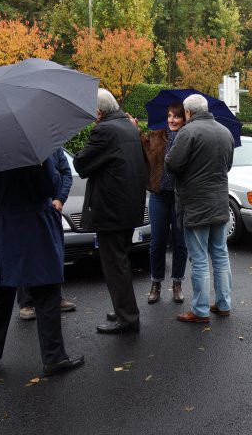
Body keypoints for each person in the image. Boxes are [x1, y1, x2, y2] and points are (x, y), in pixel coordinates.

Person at [0, 158, 84, 376]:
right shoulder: (29, 146)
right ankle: (54, 358)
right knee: (46, 293)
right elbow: (51, 185)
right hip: (32, 226)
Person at [73, 89, 148, 334]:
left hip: (111, 212)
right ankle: (123, 310)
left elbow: (81, 164)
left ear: (99, 112)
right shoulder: (128, 127)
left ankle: (127, 318)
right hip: (128, 208)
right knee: (121, 262)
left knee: (115, 266)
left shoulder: (104, 130)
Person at [165, 94, 234, 324]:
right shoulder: (225, 132)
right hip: (220, 204)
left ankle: (200, 309)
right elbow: (228, 165)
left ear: (188, 113)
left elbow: (172, 164)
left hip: (195, 205)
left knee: (200, 259)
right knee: (220, 255)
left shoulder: (188, 132)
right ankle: (224, 304)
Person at [18, 148, 77, 320]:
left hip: (51, 211)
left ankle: (55, 297)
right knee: (26, 255)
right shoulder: (17, 149)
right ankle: (27, 303)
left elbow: (66, 173)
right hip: (24, 212)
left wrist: (60, 198)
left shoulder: (54, 146)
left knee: (54, 254)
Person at [140, 103, 187, 304]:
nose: (172, 120)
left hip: (180, 197)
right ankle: (156, 283)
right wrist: (134, 129)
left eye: (176, 117)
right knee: (157, 242)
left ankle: (177, 283)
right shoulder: (157, 136)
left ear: (185, 119)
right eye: (169, 116)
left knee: (180, 243)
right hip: (159, 195)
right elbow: (142, 146)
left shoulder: (188, 138)